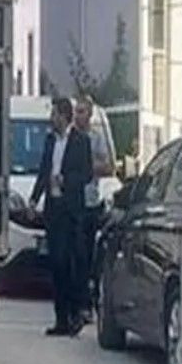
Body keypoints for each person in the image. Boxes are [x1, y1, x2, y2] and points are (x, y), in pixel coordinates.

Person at [29, 97, 93, 337]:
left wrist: (66, 180)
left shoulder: (80, 142)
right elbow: (44, 171)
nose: (51, 118)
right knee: (56, 263)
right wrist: (34, 199)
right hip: (53, 209)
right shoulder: (50, 141)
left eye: (54, 114)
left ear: (64, 117)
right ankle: (61, 319)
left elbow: (86, 174)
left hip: (71, 211)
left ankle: (76, 312)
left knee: (70, 263)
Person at [74, 95, 115, 324]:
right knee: (73, 256)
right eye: (76, 111)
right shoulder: (70, 137)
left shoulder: (96, 138)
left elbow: (108, 167)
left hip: (90, 203)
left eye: (82, 111)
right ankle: (75, 303)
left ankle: (86, 303)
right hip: (71, 203)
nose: (78, 116)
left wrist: (87, 166)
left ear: (90, 114)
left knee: (87, 256)